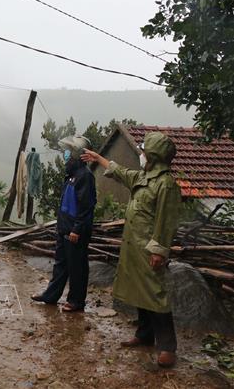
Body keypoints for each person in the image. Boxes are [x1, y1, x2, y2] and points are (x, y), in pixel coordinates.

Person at [80, 131, 181, 368]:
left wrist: (159, 251)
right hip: (133, 247)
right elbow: (120, 172)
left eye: (144, 152)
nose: (141, 155)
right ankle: (145, 334)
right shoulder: (143, 178)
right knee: (139, 290)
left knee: (155, 294)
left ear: (154, 156)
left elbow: (166, 221)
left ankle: (167, 346)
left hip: (149, 249)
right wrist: (98, 158)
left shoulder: (166, 184)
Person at [31, 135, 96, 312]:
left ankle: (76, 301)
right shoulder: (71, 174)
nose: (65, 154)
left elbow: (86, 207)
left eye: (68, 151)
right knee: (60, 265)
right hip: (64, 228)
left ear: (76, 153)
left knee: (77, 268)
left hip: (76, 231)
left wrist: (76, 229)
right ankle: (51, 295)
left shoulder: (85, 176)